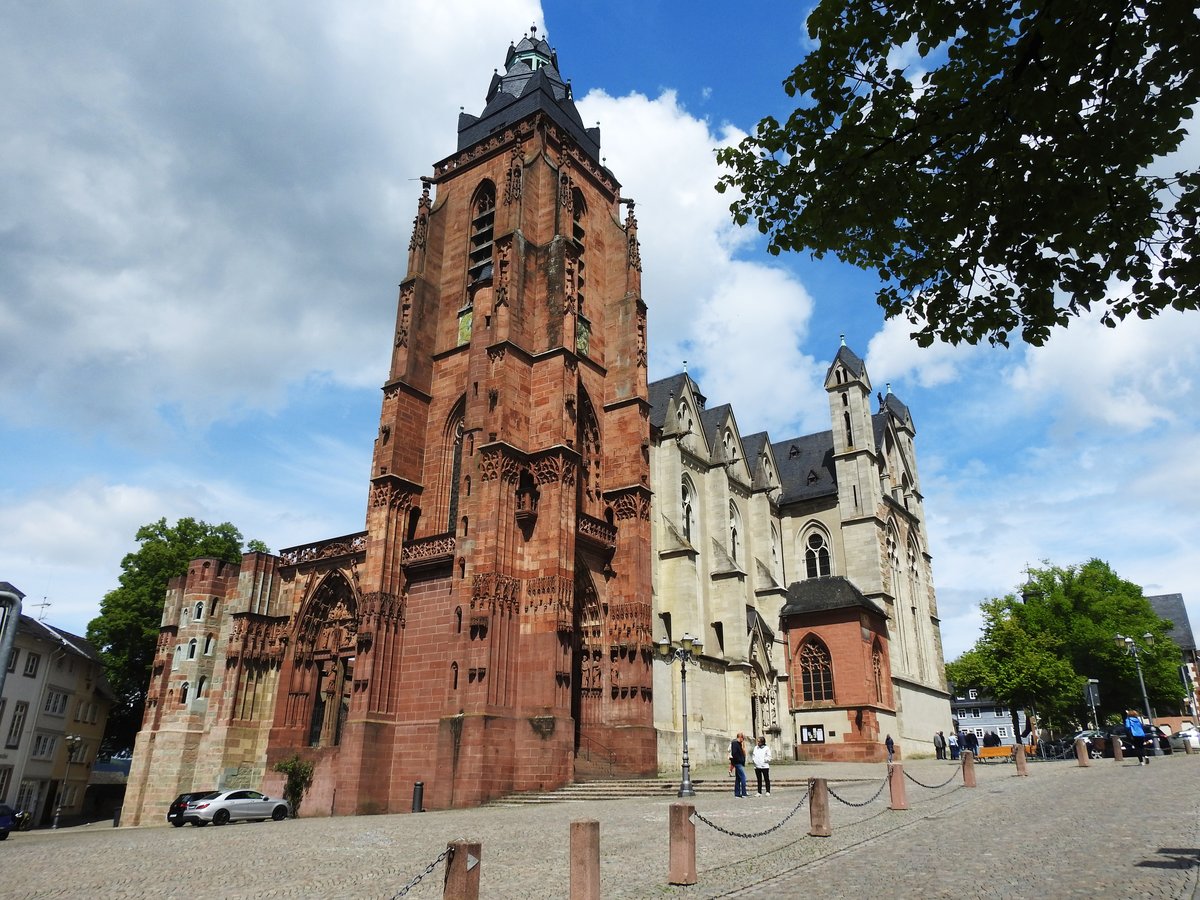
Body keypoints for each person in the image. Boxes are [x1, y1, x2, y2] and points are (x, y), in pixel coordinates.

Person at [729, 732, 748, 797]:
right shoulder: (735, 743)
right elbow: (734, 754)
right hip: (738, 763)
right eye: (743, 738)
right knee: (743, 777)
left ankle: (737, 793)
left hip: (739, 763)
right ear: (740, 737)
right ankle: (744, 793)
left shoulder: (739, 744)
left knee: (738, 778)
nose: (743, 740)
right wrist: (740, 760)